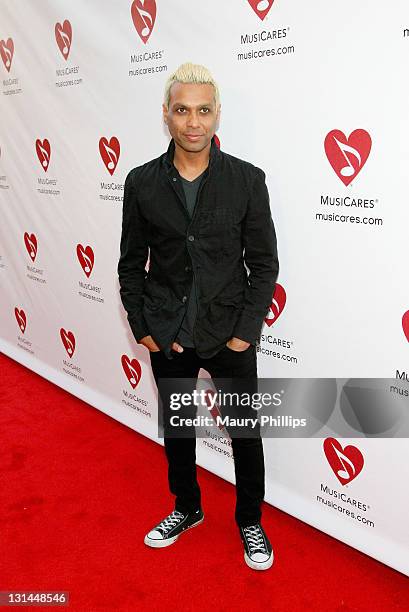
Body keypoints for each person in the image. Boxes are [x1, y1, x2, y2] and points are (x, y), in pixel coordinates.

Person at [117, 62, 279, 570]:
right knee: (179, 428)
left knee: (244, 434)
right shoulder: (141, 182)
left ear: (217, 116)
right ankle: (187, 507)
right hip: (168, 334)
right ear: (166, 115)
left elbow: (264, 264)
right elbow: (130, 262)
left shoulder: (247, 181)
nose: (193, 121)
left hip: (228, 332)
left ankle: (250, 519)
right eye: (183, 110)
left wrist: (243, 335)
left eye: (203, 110)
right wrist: (142, 326)